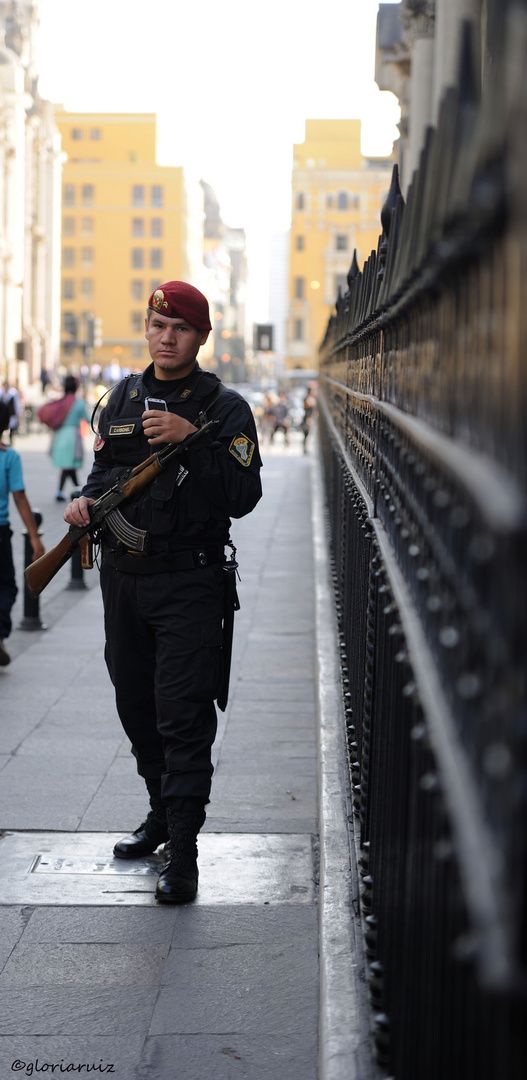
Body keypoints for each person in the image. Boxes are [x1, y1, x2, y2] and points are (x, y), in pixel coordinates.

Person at [63, 281, 262, 904]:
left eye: (179, 328)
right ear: (146, 330)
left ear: (201, 337)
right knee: (135, 706)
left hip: (189, 583)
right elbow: (103, 471)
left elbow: (242, 496)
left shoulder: (223, 409)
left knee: (183, 716)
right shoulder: (121, 396)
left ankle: (184, 846)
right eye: (158, 326)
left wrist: (187, 439)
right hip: (124, 580)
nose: (166, 337)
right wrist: (86, 502)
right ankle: (158, 810)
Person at [0, 402, 45, 666]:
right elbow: (19, 496)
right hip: (1, 533)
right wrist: (34, 536)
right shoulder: (9, 457)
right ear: (7, 425)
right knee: (6, 585)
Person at [51, 375, 90, 501]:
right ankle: (73, 490)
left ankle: (69, 490)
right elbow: (88, 419)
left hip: (60, 434)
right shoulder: (79, 402)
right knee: (69, 466)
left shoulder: (60, 402)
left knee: (68, 466)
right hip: (73, 435)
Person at [0, 380, 22, 445]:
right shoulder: (1, 393)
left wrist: (19, 414)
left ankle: (10, 440)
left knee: (11, 429)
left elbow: (17, 404)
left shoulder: (13, 393)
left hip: (11, 414)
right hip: (2, 415)